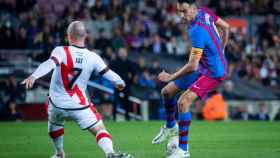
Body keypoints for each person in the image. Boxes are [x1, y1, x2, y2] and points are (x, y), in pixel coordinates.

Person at [21, 21, 133, 158]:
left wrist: (34, 76)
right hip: (79, 105)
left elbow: (49, 63)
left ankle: (59, 153)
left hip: (57, 103)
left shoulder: (61, 50)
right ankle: (110, 153)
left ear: (68, 36)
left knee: (54, 124)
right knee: (99, 129)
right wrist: (120, 82)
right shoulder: (93, 57)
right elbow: (108, 73)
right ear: (85, 35)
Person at [152, 0, 230, 158]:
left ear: (194, 9)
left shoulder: (196, 30)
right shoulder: (205, 12)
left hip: (213, 73)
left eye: (184, 11)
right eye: (179, 11)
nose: (181, 16)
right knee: (166, 92)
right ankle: (171, 127)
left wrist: (170, 76)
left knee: (183, 102)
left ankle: (183, 150)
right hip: (203, 66)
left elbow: (192, 65)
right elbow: (226, 27)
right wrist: (221, 48)